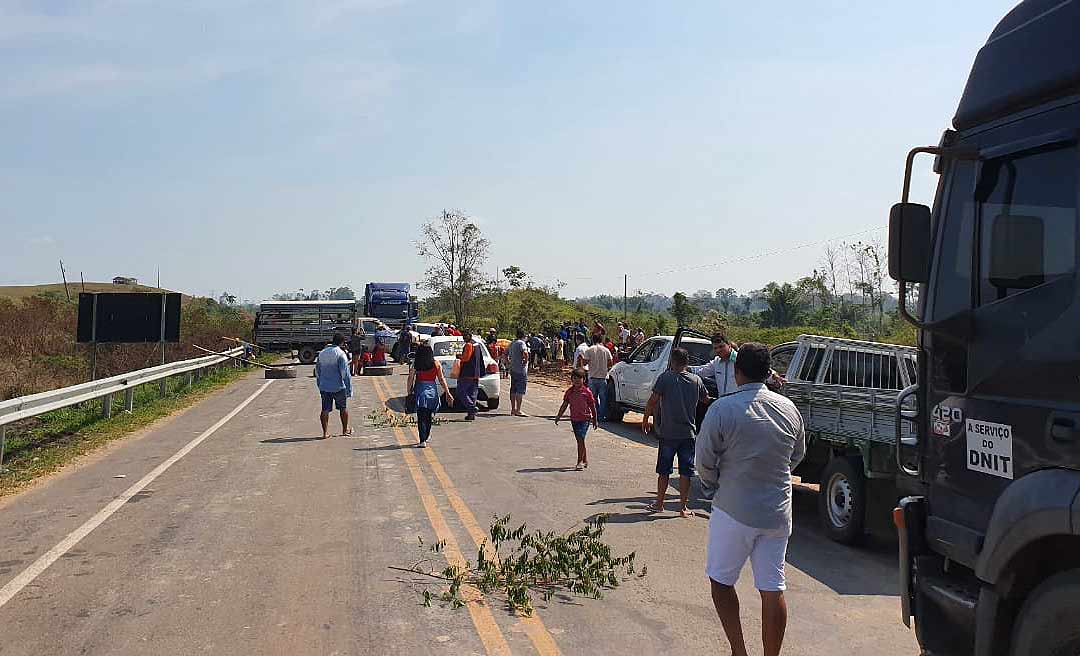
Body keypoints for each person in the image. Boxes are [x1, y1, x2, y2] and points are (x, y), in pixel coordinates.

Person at [695, 343, 806, 656]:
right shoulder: (789, 409)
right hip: (777, 513)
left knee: (721, 582)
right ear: (769, 372)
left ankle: (739, 651)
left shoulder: (722, 409)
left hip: (733, 509)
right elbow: (796, 455)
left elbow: (704, 461)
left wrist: (714, 484)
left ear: (736, 371)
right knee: (772, 588)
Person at [641, 347, 707, 517]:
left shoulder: (665, 378)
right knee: (686, 472)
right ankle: (683, 508)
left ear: (672, 361)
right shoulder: (696, 380)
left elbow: (652, 401)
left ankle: (659, 504)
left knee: (664, 471)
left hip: (668, 434)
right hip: (688, 434)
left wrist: (646, 419)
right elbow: (706, 400)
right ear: (687, 362)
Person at [692, 333, 785, 399]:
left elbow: (761, 370)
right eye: (715, 348)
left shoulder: (742, 358)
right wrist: (685, 368)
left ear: (729, 345)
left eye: (721, 346)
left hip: (742, 404)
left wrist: (775, 376)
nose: (718, 350)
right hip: (723, 404)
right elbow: (701, 371)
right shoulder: (716, 362)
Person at [407, 343, 453, 448]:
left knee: (421, 416)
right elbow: (441, 379)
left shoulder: (416, 364)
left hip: (420, 391)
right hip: (432, 392)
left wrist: (409, 392)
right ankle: (426, 436)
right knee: (428, 416)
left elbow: (410, 378)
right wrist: (447, 392)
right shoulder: (436, 363)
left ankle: (422, 440)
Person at [554, 368, 598, 471]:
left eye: (579, 378)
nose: (577, 380)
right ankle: (585, 459)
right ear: (571, 380)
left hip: (585, 419)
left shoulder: (587, 392)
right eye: (574, 378)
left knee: (580, 439)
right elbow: (564, 404)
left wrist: (595, 419)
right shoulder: (570, 392)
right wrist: (558, 416)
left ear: (584, 379)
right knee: (580, 440)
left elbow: (592, 406)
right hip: (574, 419)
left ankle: (579, 462)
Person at [315, 333, 353, 439]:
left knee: (325, 409)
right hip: (339, 387)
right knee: (343, 408)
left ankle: (325, 433)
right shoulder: (340, 354)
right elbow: (345, 373)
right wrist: (349, 389)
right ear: (342, 342)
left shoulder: (322, 353)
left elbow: (317, 371)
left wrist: (319, 384)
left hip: (324, 387)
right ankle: (345, 430)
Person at [580, 334, 613, 421]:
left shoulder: (589, 350)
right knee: (603, 398)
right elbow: (610, 362)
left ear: (593, 340)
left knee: (593, 398)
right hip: (603, 377)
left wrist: (582, 359)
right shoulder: (606, 350)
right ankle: (602, 416)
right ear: (601, 340)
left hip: (592, 377)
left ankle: (596, 414)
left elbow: (585, 363)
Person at [456, 330, 484, 420]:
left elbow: (466, 358)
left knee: (460, 391)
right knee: (473, 394)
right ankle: (471, 414)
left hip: (467, 373)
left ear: (470, 336)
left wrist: (459, 356)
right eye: (463, 335)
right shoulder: (477, 345)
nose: (463, 337)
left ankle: (472, 407)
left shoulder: (469, 345)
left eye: (465, 335)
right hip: (476, 373)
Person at [508, 329, 530, 416]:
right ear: (523, 336)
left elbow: (505, 354)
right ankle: (518, 410)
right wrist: (525, 361)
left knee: (513, 389)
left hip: (513, 369)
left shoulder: (512, 343)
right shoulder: (521, 343)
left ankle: (513, 409)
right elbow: (525, 353)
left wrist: (508, 362)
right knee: (520, 390)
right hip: (521, 370)